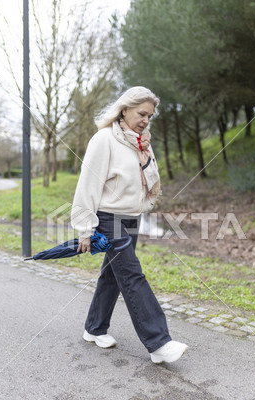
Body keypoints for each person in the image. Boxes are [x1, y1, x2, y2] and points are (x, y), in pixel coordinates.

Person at [71, 86, 188, 364]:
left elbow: (146, 184)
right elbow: (87, 186)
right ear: (124, 109)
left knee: (113, 275)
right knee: (133, 275)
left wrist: (143, 209)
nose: (146, 120)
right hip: (108, 218)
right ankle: (159, 343)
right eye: (142, 113)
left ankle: (94, 328)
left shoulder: (141, 143)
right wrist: (86, 229)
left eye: (150, 116)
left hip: (131, 218)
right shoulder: (104, 140)